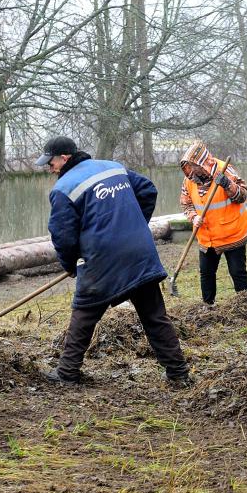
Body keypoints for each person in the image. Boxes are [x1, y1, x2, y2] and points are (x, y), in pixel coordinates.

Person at [38, 135, 191, 387]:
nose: (48, 167)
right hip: (139, 252)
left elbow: (63, 236)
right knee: (154, 316)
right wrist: (132, 225)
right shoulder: (112, 167)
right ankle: (178, 373)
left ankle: (67, 372)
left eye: (50, 162)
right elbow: (148, 190)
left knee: (84, 313)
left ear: (64, 158)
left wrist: (70, 264)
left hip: (102, 260)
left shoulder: (63, 188)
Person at [178, 141, 247, 306]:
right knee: (206, 273)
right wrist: (193, 217)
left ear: (202, 161)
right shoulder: (189, 179)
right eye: (188, 165)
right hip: (207, 236)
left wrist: (226, 184)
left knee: (237, 272)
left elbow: (242, 195)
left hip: (232, 233)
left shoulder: (224, 169)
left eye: (194, 165)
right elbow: (186, 204)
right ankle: (207, 307)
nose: (192, 169)